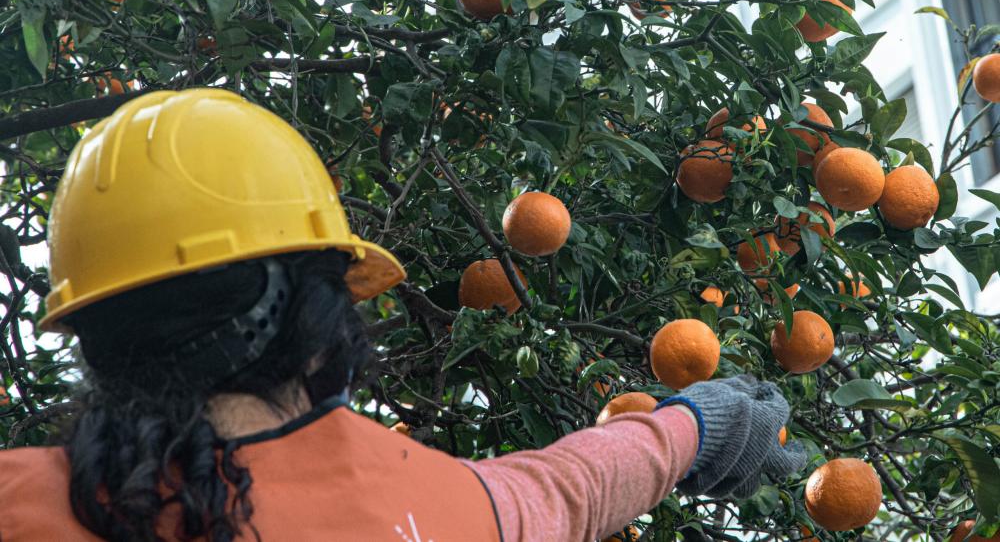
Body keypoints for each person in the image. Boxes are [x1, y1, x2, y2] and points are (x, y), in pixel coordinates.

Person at [0, 89, 806, 541]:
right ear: (311, 311)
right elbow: (562, 490)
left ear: (95, 333)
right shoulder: (441, 512)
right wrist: (694, 425)